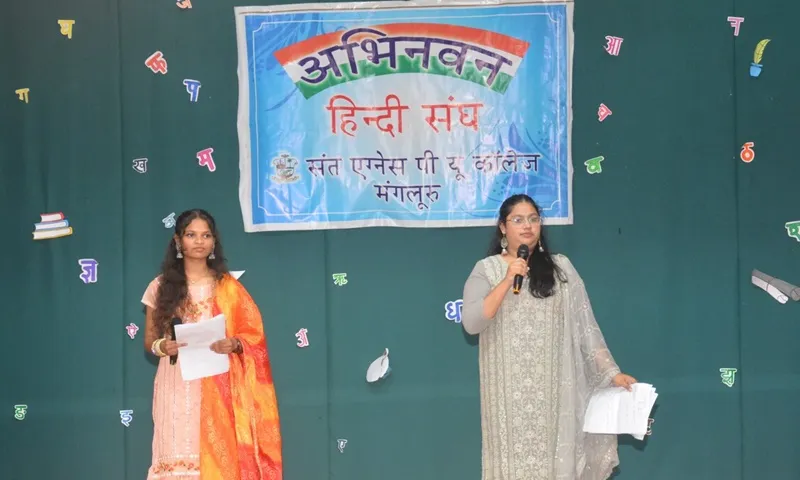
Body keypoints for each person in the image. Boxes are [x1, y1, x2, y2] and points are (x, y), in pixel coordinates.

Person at [461, 194, 636, 480]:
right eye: (518, 220)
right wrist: (507, 279)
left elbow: (586, 328)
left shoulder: (561, 268)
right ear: (503, 227)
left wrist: (611, 374)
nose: (527, 226)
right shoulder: (487, 269)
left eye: (533, 219)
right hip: (507, 396)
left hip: (556, 393)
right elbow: (472, 323)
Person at [141, 209, 282, 480]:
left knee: (220, 457)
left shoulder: (228, 287)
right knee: (176, 455)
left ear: (214, 241)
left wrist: (234, 344)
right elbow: (149, 341)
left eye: (206, 235)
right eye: (191, 235)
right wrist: (163, 346)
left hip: (219, 384)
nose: (199, 241)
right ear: (178, 241)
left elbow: (253, 335)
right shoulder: (159, 287)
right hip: (176, 382)